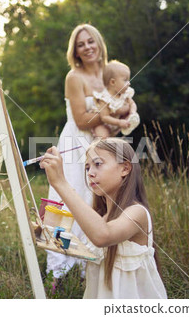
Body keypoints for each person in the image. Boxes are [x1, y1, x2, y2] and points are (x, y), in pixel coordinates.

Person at [40, 138, 167, 299]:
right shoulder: (101, 216)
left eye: (98, 164)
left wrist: (60, 183)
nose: (90, 173)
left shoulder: (137, 213)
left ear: (125, 168)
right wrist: (49, 236)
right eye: (87, 167)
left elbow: (103, 236)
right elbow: (91, 252)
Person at [45, 24, 107, 288]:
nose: (88, 47)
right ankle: (56, 274)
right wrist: (111, 113)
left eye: (91, 41)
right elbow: (82, 120)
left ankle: (87, 271)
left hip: (103, 147)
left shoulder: (110, 74)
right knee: (66, 203)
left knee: (96, 203)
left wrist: (118, 122)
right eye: (81, 44)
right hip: (76, 145)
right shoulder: (74, 77)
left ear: (99, 43)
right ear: (76, 51)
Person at [91, 60, 140, 138]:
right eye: (125, 80)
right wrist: (119, 122)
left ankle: (129, 123)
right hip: (104, 124)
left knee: (131, 115)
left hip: (120, 122)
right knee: (102, 134)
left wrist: (132, 112)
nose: (129, 83)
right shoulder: (105, 98)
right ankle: (104, 143)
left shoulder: (125, 94)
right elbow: (104, 117)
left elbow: (132, 103)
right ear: (113, 82)